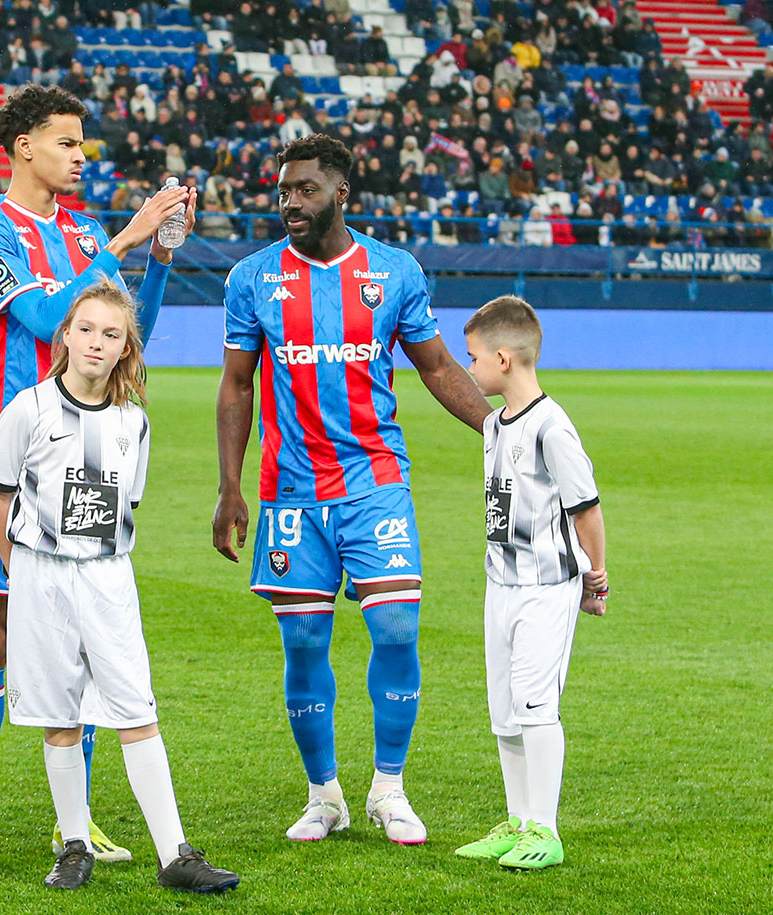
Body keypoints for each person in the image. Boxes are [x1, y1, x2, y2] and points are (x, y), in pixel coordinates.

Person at [213, 134, 491, 844]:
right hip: (289, 494)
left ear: (341, 193)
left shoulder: (393, 272)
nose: (290, 203)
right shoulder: (252, 277)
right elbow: (237, 384)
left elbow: (436, 368)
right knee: (304, 642)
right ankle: (325, 794)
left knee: (396, 626)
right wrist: (229, 487)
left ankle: (389, 789)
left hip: (374, 482)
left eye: (304, 190)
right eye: (282, 192)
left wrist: (500, 430)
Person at [0, 84, 194, 870]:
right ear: (23, 144)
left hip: (87, 461)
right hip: (13, 455)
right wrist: (124, 240)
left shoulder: (86, 231)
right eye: (66, 142)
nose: (80, 155)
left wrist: (155, 258)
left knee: (88, 648)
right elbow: (41, 319)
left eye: (82, 143)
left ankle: (75, 826)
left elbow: (135, 329)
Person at [0, 283, 238, 893]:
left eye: (112, 334)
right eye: (88, 329)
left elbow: (130, 501)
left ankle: (174, 853)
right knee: (58, 716)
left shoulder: (133, 422)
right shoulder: (29, 408)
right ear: (65, 334)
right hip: (41, 574)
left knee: (135, 708)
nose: (97, 342)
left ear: (126, 349)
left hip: (107, 576)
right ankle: (74, 844)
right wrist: (17, 570)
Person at [454, 296, 607, 870]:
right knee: (504, 712)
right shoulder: (495, 424)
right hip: (502, 585)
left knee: (536, 707)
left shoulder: (552, 427)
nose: (469, 368)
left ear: (503, 358)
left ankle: (545, 829)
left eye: (473, 358)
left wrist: (595, 577)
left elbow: (587, 508)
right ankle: (517, 821)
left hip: (547, 586)